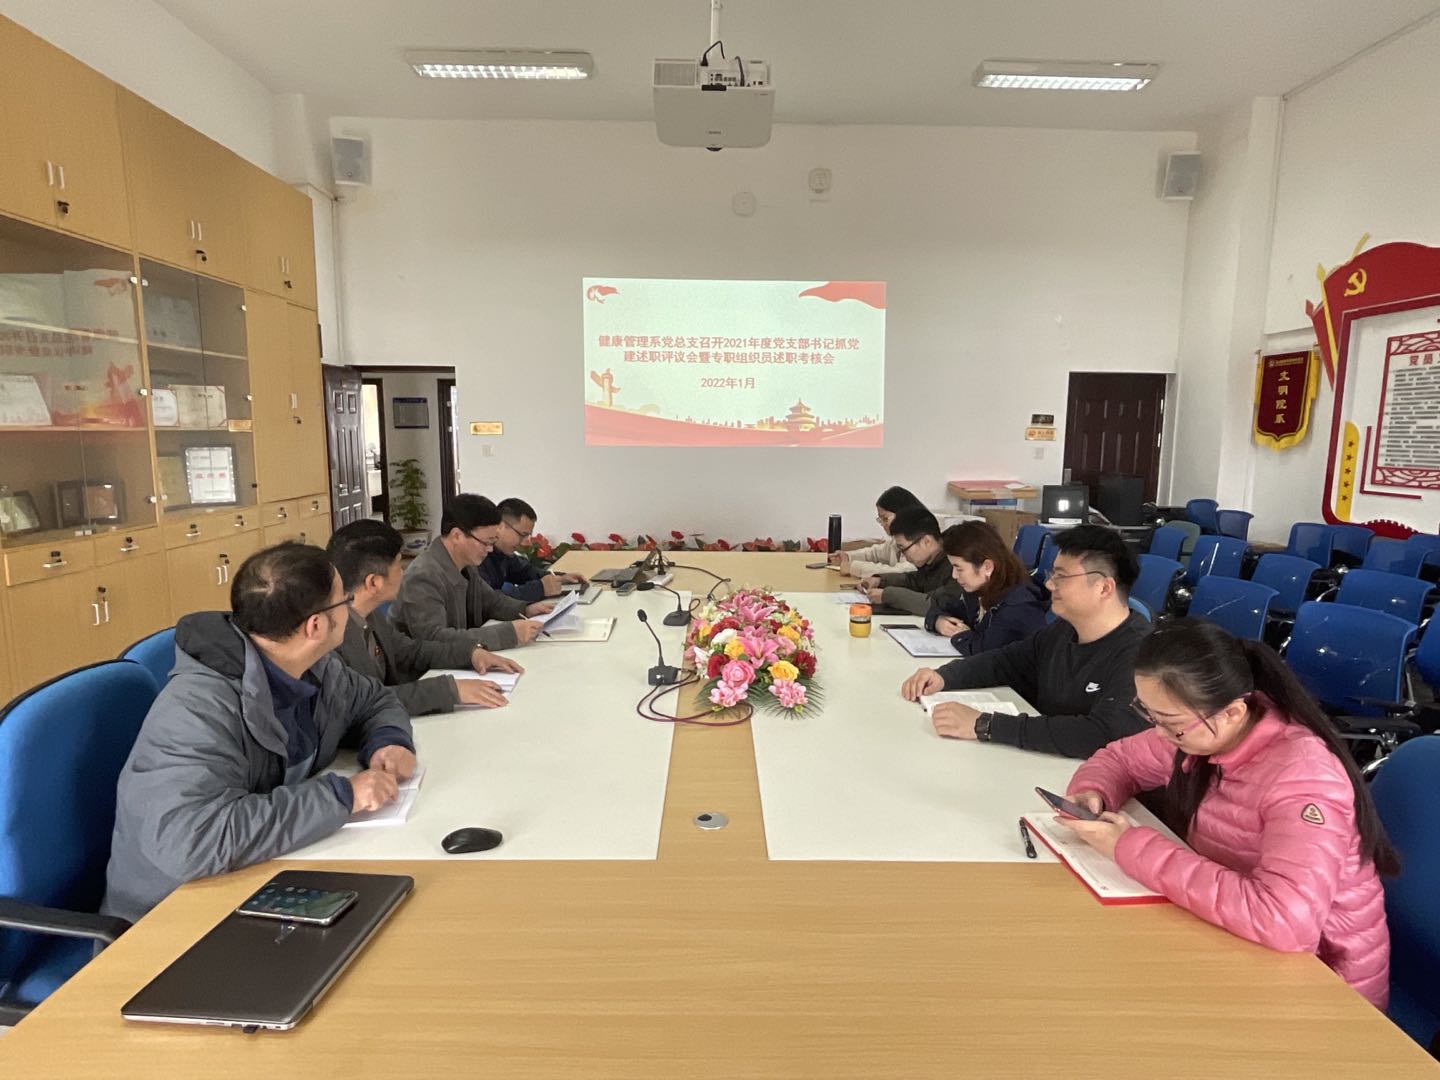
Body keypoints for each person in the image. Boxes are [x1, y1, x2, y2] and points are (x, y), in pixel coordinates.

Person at [1059, 619, 1395, 1009]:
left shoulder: (1303, 777)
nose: (1160, 733)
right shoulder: (1201, 729)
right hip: (1237, 937)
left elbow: (1286, 922)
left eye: (1170, 723)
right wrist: (1094, 792)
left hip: (1326, 989)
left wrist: (1131, 847)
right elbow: (1120, 759)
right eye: (1149, 714)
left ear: (1233, 713)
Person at [102, 543, 417, 923]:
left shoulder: (315, 666)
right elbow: (190, 841)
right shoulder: (196, 709)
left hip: (264, 875)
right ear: (316, 626)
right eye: (344, 600)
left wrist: (388, 741)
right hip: (174, 914)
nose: (350, 608)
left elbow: (374, 700)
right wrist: (341, 796)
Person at [900, 524, 1150, 757]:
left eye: (1061, 577)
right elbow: (1007, 661)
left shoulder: (1142, 654)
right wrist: (945, 676)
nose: (1049, 584)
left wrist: (986, 725)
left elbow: (1101, 733)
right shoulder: (1063, 631)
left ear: (1104, 588)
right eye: (1052, 574)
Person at [328, 519, 525, 714]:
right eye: (398, 566)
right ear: (374, 583)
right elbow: (362, 702)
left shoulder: (370, 616)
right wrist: (450, 690)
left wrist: (470, 654)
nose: (403, 572)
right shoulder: (331, 639)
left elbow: (412, 651)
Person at [393, 493, 553, 651]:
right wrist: (509, 633)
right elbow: (435, 639)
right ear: (457, 536)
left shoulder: (466, 565)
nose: (490, 549)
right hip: (424, 666)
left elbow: (491, 601)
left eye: (492, 542)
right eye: (486, 543)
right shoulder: (423, 576)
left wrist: (526, 609)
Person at [922, 521, 1049, 656]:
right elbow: (942, 606)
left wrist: (960, 634)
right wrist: (938, 621)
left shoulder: (1017, 606)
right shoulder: (980, 590)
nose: (954, 575)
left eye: (959, 569)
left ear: (987, 567)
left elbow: (984, 650)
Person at [477, 497, 588, 602]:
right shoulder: (478, 556)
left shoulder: (503, 553)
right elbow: (489, 600)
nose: (525, 542)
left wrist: (559, 578)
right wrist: (540, 588)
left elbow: (525, 572)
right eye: (522, 535)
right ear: (500, 526)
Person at [859, 506, 954, 615]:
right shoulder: (931, 562)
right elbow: (915, 581)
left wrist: (888, 595)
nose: (904, 555)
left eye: (904, 548)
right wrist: (880, 581)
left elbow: (936, 604)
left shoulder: (955, 563)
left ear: (927, 541)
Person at [830, 486, 925, 578]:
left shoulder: (920, 540)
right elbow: (876, 553)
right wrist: (848, 556)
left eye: (885, 519)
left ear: (902, 513)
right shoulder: (898, 538)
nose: (882, 524)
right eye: (880, 520)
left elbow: (900, 573)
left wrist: (854, 568)